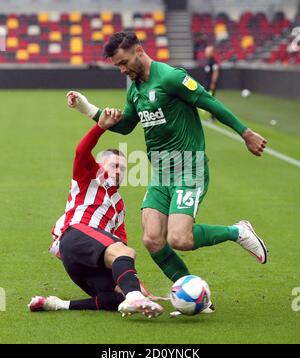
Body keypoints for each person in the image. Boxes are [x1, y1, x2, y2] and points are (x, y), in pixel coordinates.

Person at [67, 32, 268, 295]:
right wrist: (89, 109)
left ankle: (237, 231)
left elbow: (210, 102)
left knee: (179, 238)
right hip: (161, 171)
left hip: (188, 166)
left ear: (139, 51)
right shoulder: (136, 89)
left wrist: (246, 133)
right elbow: (127, 126)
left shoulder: (171, 77)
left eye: (124, 62)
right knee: (152, 239)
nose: (122, 70)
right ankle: (196, 295)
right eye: (118, 65)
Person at [28, 103, 164, 318]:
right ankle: (134, 296)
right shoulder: (89, 178)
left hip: (82, 260)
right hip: (75, 235)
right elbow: (81, 151)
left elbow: (120, 251)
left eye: (123, 168)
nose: (119, 171)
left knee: (118, 295)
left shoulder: (119, 205)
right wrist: (100, 127)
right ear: (100, 166)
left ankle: (56, 304)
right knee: (126, 256)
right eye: (114, 166)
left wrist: (140, 289)